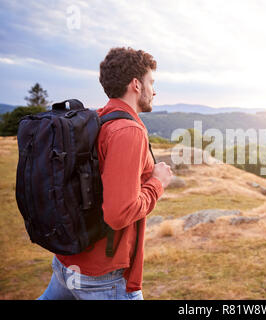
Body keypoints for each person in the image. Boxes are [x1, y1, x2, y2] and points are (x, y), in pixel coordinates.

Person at [38, 47, 173, 300]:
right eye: (151, 82)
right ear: (136, 84)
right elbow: (118, 214)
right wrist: (157, 182)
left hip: (68, 263)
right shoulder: (128, 131)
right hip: (103, 278)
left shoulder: (98, 118)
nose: (154, 90)